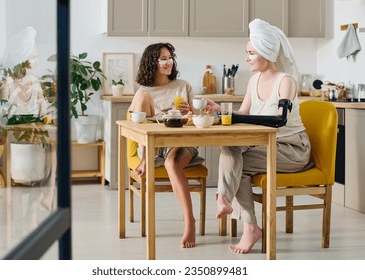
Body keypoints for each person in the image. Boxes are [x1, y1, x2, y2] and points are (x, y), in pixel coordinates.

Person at [205, 18, 311, 254]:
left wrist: (232, 117)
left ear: (266, 52)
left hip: (292, 149)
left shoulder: (286, 81)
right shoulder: (254, 81)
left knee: (236, 163)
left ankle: (227, 201)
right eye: (247, 53)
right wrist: (219, 111)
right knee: (231, 149)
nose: (246, 58)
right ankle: (249, 224)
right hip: (267, 145)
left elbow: (279, 121)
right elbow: (243, 114)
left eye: (251, 53)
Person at [128, 42, 199, 248]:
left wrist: (190, 111)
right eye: (163, 59)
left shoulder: (182, 85)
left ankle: (189, 222)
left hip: (183, 141)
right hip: (155, 145)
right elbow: (137, 125)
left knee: (171, 163)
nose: (169, 62)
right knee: (142, 97)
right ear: (152, 62)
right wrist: (145, 157)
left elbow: (196, 119)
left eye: (170, 58)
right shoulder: (143, 92)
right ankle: (147, 157)